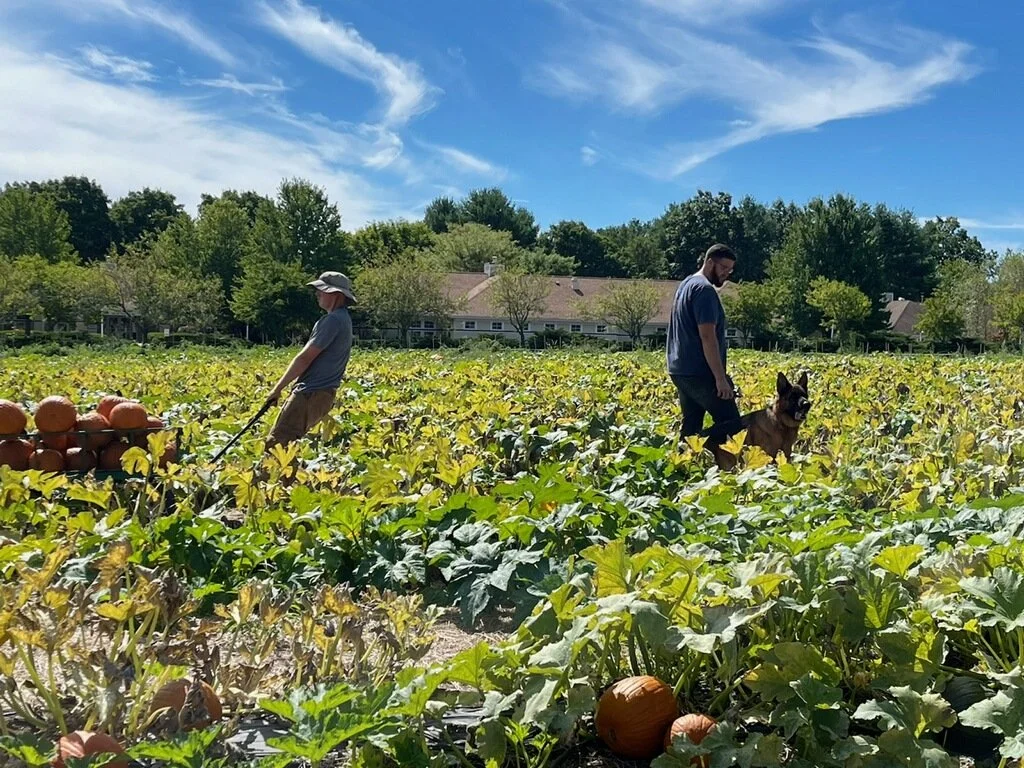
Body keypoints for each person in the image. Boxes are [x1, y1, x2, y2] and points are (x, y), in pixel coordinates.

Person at [264, 271, 356, 449]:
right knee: (290, 446)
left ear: (336, 295)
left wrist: (277, 389)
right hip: (322, 394)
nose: (317, 293)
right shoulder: (344, 319)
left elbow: (305, 358)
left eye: (322, 290)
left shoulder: (332, 321)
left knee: (277, 445)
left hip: (311, 392)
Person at [666, 243, 741, 447]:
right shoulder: (704, 290)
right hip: (699, 371)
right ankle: (718, 458)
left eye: (730, 270)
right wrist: (720, 379)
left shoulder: (686, 284)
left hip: (680, 369)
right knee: (732, 424)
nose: (726, 274)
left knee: (691, 427)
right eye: (723, 267)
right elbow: (707, 337)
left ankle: (684, 461)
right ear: (709, 262)